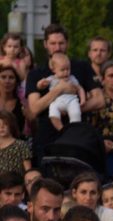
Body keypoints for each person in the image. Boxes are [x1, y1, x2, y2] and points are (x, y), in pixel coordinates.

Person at [26, 25, 103, 163]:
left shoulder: (82, 67)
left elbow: (99, 100)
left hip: (77, 136)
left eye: (61, 43)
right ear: (45, 44)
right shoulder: (36, 73)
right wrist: (58, 90)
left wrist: (70, 108)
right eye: (53, 43)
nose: (57, 47)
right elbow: (34, 109)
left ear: (67, 43)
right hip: (47, 138)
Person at [35, 52, 85, 131]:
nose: (66, 72)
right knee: (53, 114)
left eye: (68, 69)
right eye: (62, 70)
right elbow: (39, 87)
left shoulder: (72, 78)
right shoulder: (51, 79)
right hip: (57, 102)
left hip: (71, 100)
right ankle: (61, 129)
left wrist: (82, 100)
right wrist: (40, 84)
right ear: (54, 70)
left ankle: (74, 130)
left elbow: (80, 88)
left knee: (76, 113)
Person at [0, 109, 31, 173]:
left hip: (15, 181)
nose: (1, 127)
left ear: (11, 125)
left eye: (5, 124)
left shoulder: (20, 145)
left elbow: (28, 169)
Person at [0, 65, 25, 134]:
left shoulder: (22, 104)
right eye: (3, 77)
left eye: (11, 78)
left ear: (16, 82)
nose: (7, 81)